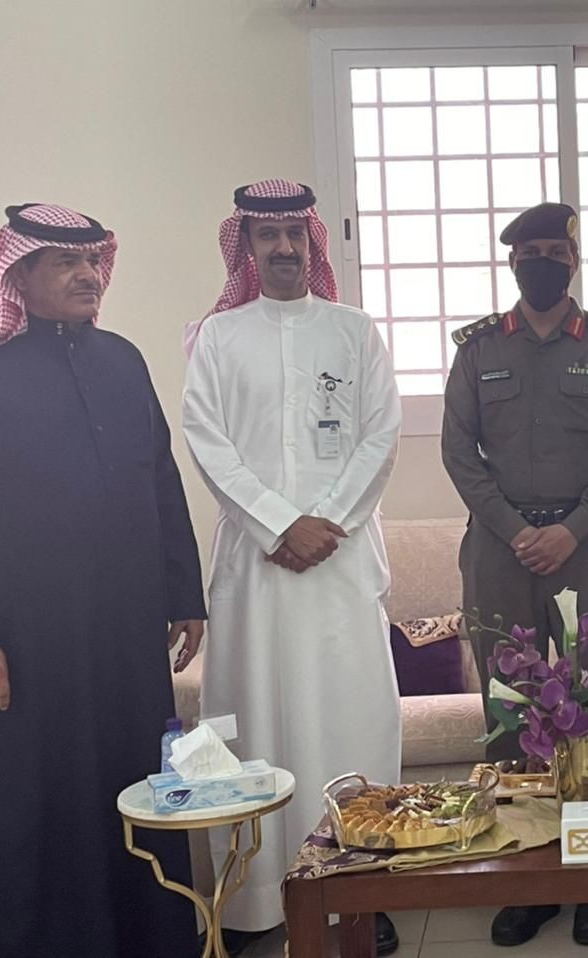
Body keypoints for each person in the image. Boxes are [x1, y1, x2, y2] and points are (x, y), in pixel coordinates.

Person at [183, 180, 402, 956]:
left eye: (293, 234)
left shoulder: (354, 331)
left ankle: (364, 894)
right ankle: (253, 906)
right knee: (254, 725)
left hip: (340, 564)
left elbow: (381, 434)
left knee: (353, 720)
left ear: (312, 242)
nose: (282, 247)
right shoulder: (217, 337)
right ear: (245, 247)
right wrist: (279, 524)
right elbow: (206, 442)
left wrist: (325, 523)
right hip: (255, 569)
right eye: (266, 235)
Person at [0, 203, 205, 957]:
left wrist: (183, 593)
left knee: (137, 781)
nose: (88, 275)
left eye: (92, 261)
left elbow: (161, 478)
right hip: (27, 638)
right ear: (18, 275)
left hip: (125, 629)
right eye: (64, 262)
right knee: (41, 795)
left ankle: (154, 939)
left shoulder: (123, 359)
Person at [441, 201, 588, 948]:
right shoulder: (477, 350)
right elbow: (459, 450)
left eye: (554, 252)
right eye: (528, 253)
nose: (541, 264)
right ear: (512, 263)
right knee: (510, 712)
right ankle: (525, 877)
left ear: (574, 260)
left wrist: (575, 526)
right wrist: (515, 529)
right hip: (503, 548)